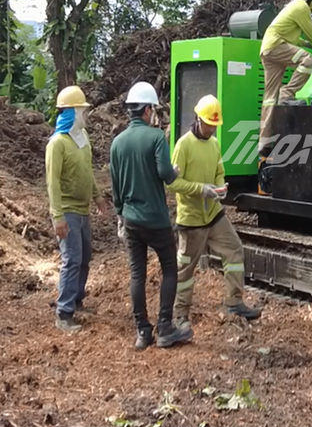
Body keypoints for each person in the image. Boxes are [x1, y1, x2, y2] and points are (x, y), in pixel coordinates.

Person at [110, 81, 192, 350]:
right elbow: (166, 175)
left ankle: (143, 332)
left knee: (137, 274)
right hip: (155, 219)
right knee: (170, 269)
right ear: (147, 110)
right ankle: (165, 327)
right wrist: (175, 171)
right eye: (153, 110)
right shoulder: (156, 137)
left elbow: (115, 187)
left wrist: (120, 215)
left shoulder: (117, 143)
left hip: (131, 220)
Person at [168, 95, 261, 327]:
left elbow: (219, 171)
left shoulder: (214, 144)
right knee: (185, 268)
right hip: (191, 219)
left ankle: (234, 301)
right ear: (198, 119)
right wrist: (201, 189)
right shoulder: (183, 145)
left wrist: (220, 187)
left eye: (215, 125)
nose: (212, 129)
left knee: (234, 249)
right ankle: (180, 315)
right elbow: (172, 183)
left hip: (213, 214)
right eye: (209, 124)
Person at [46, 85, 109, 333]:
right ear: (71, 112)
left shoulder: (83, 139)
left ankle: (77, 300)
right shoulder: (57, 144)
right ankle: (64, 312)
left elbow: (87, 171)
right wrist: (58, 216)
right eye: (82, 111)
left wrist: (97, 196)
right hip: (68, 210)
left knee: (84, 257)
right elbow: (52, 182)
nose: (86, 115)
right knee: (72, 259)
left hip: (82, 210)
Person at [258, 0, 312, 157]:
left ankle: (265, 142)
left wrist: (306, 43)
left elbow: (295, 38)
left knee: (270, 97)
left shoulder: (292, 6)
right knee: (307, 60)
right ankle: (288, 92)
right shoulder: (301, 7)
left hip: (267, 49)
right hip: (276, 46)